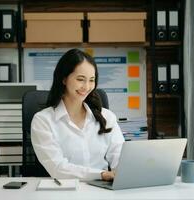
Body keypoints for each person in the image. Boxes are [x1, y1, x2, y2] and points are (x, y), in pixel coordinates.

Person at [31, 48, 125, 181]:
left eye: (92, 80)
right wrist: (101, 174)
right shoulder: (43, 120)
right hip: (64, 191)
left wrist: (122, 173)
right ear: (64, 79)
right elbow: (58, 168)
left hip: (102, 191)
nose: (87, 87)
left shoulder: (107, 117)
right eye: (81, 79)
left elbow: (120, 157)